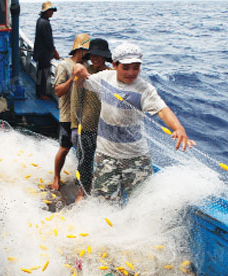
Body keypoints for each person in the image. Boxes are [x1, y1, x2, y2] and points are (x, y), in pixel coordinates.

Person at [73, 42, 196, 203]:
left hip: (136, 158)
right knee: (104, 203)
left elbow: (162, 110)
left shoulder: (144, 89)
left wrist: (178, 128)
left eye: (136, 67)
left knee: (141, 203)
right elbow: (81, 82)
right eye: (126, 67)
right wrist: (77, 69)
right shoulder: (104, 78)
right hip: (105, 156)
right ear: (115, 65)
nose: (131, 72)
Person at [70, 38, 111, 201]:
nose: (94, 58)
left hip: (107, 128)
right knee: (84, 161)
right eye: (92, 55)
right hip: (87, 125)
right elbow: (75, 100)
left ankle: (102, 192)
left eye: (98, 55)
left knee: (106, 162)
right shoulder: (83, 73)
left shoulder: (111, 75)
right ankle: (82, 192)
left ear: (105, 57)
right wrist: (74, 126)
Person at [50, 33, 90, 191]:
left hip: (84, 116)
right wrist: (72, 77)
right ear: (79, 50)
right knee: (65, 148)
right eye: (86, 51)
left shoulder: (87, 66)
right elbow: (58, 91)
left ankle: (84, 177)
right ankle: (56, 176)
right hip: (68, 115)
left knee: (86, 148)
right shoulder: (64, 66)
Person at [33, 1, 60, 100]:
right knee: (44, 74)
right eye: (50, 11)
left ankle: (40, 92)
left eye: (52, 11)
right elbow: (48, 41)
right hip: (44, 54)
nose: (52, 13)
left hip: (40, 53)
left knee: (41, 73)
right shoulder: (45, 23)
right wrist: (55, 52)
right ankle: (41, 94)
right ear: (45, 12)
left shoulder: (40, 20)